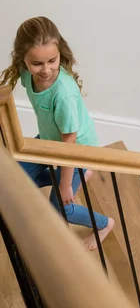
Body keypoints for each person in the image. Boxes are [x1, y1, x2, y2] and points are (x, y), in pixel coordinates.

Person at [0, 16, 115, 251]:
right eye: (37, 64)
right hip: (51, 141)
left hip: (75, 151)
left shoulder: (63, 95)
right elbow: (7, 89)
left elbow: (69, 144)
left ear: (60, 52)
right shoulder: (25, 72)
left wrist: (65, 186)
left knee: (62, 206)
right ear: (23, 59)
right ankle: (80, 176)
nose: (46, 70)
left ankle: (104, 224)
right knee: (14, 176)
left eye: (53, 61)